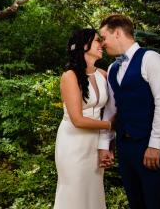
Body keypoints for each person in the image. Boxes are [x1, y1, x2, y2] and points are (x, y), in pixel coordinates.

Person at [97, 14, 160, 209]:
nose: (102, 44)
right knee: (136, 203)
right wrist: (105, 144)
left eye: (104, 37)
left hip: (150, 145)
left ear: (118, 33)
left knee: (156, 203)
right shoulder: (113, 68)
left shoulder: (151, 59)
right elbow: (110, 110)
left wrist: (155, 145)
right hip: (125, 148)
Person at [54, 28, 112, 209]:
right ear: (84, 45)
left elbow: (110, 109)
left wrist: (106, 144)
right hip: (73, 143)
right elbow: (77, 120)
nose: (101, 44)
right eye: (96, 40)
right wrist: (111, 125)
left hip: (95, 143)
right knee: (74, 191)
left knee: (93, 191)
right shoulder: (69, 76)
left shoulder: (103, 74)